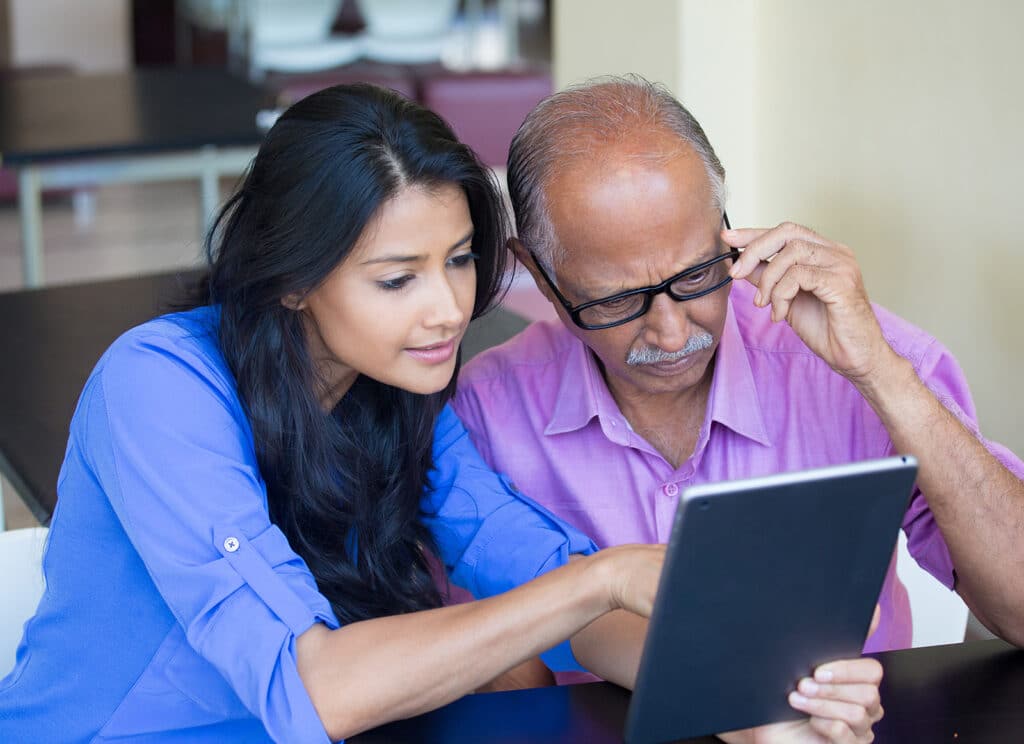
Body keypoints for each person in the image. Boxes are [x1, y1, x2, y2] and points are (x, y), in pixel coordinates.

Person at [0, 84, 880, 743]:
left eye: (459, 261)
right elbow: (313, 689)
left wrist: (757, 701)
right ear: (292, 280)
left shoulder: (400, 391)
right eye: (397, 278)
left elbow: (536, 573)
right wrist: (599, 577)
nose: (449, 310)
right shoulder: (158, 385)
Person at [454, 75, 1024, 659]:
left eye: (699, 274)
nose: (673, 332)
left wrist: (881, 373)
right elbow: (482, 660)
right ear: (539, 275)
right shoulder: (486, 412)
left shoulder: (858, 357)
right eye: (616, 301)